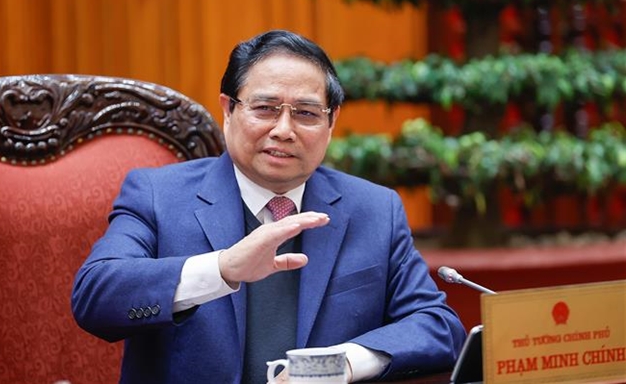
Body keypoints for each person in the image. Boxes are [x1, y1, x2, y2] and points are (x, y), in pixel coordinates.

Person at [71, 29, 466, 383]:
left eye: (306, 113)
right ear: (228, 110)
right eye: (265, 108)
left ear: (331, 122)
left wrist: (343, 363)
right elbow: (95, 297)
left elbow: (438, 325)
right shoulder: (158, 195)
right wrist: (222, 268)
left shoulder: (375, 209)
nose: (284, 130)